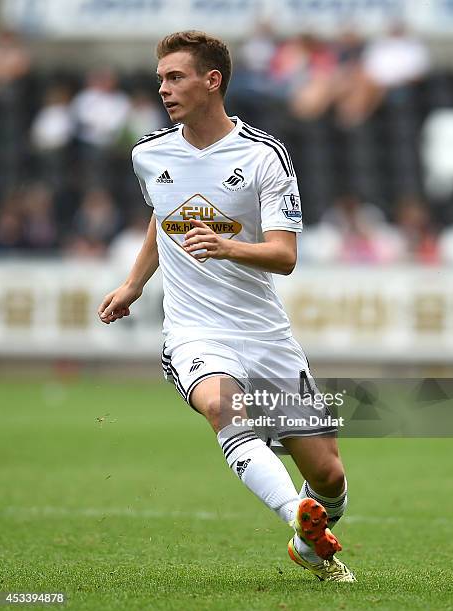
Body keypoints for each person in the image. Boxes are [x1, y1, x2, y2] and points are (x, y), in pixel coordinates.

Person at [98, 30, 355, 582]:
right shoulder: (149, 153)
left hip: (265, 334)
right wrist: (135, 283)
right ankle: (297, 515)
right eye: (160, 78)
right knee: (223, 408)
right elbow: (162, 215)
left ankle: (311, 543)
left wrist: (228, 245)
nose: (163, 89)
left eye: (175, 77)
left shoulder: (265, 155)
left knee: (329, 474)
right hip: (194, 331)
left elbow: (284, 256)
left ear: (212, 81)